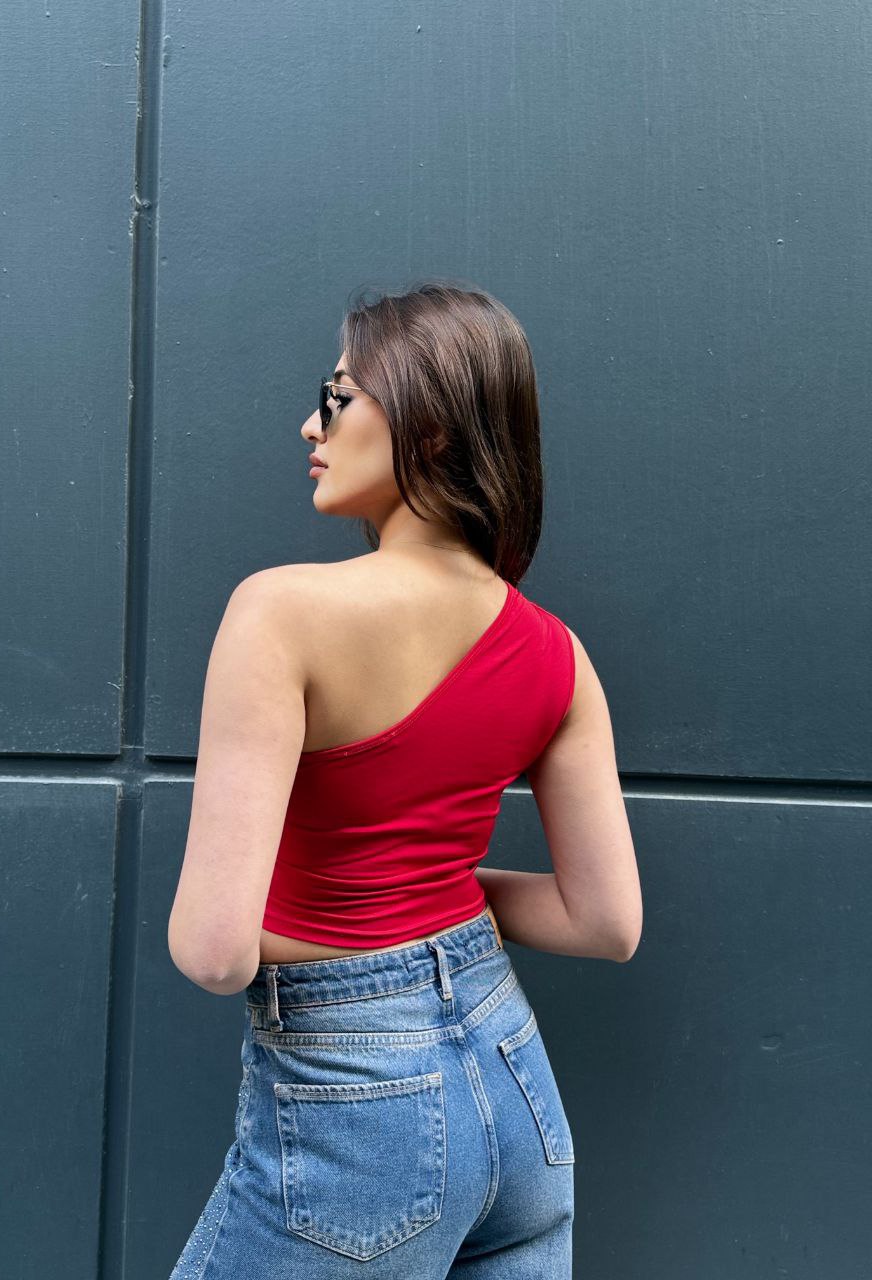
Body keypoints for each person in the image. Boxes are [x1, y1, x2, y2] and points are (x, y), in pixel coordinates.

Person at [167, 280, 642, 1278]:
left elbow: (213, 951)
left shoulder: (279, 613)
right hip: (515, 1093)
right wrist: (439, 902)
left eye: (337, 397)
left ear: (428, 429)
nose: (312, 424)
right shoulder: (560, 655)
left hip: (362, 1111)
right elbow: (605, 922)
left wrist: (361, 916)